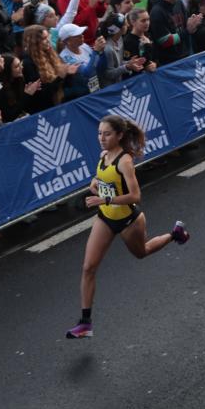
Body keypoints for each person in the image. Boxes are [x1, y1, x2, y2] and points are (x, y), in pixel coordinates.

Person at [65, 115, 190, 339]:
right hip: (105, 218)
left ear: (120, 135)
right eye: (99, 134)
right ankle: (85, 323)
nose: (101, 138)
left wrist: (104, 200)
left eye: (107, 134)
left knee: (143, 253)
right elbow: (102, 180)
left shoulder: (125, 161)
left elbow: (136, 196)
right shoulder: (104, 156)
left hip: (128, 220)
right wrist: (95, 185)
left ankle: (175, 234)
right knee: (88, 267)